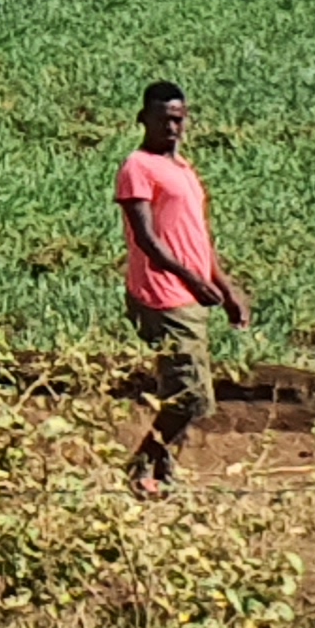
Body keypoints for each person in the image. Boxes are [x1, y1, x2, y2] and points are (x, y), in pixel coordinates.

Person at [118, 79, 248, 497]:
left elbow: (198, 239)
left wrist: (225, 289)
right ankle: (142, 468)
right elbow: (146, 239)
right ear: (144, 119)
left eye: (177, 119)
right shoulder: (138, 167)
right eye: (162, 119)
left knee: (182, 393)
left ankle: (162, 471)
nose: (171, 128)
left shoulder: (183, 170)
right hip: (163, 294)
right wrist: (191, 279)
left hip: (189, 295)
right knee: (191, 396)